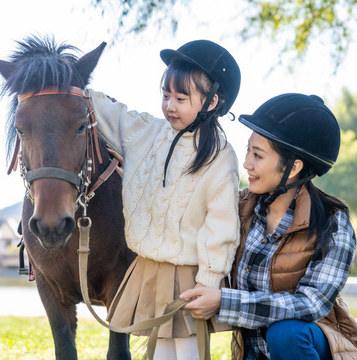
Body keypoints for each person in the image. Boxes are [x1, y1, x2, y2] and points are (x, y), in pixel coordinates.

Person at [180, 93, 357, 360]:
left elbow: (311, 304)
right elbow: (187, 215)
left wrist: (224, 302)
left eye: (258, 155)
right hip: (254, 351)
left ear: (294, 167)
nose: (246, 163)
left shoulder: (332, 222)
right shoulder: (238, 208)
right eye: (248, 150)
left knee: (286, 333)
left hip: (308, 348)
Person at [88, 40, 241, 359]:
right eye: (166, 95)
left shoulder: (219, 156)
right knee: (158, 354)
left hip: (189, 276)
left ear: (212, 102)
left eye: (181, 98)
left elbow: (221, 228)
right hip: (148, 269)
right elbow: (108, 113)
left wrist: (209, 282)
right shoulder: (146, 132)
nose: (169, 105)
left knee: (186, 353)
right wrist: (67, 82)